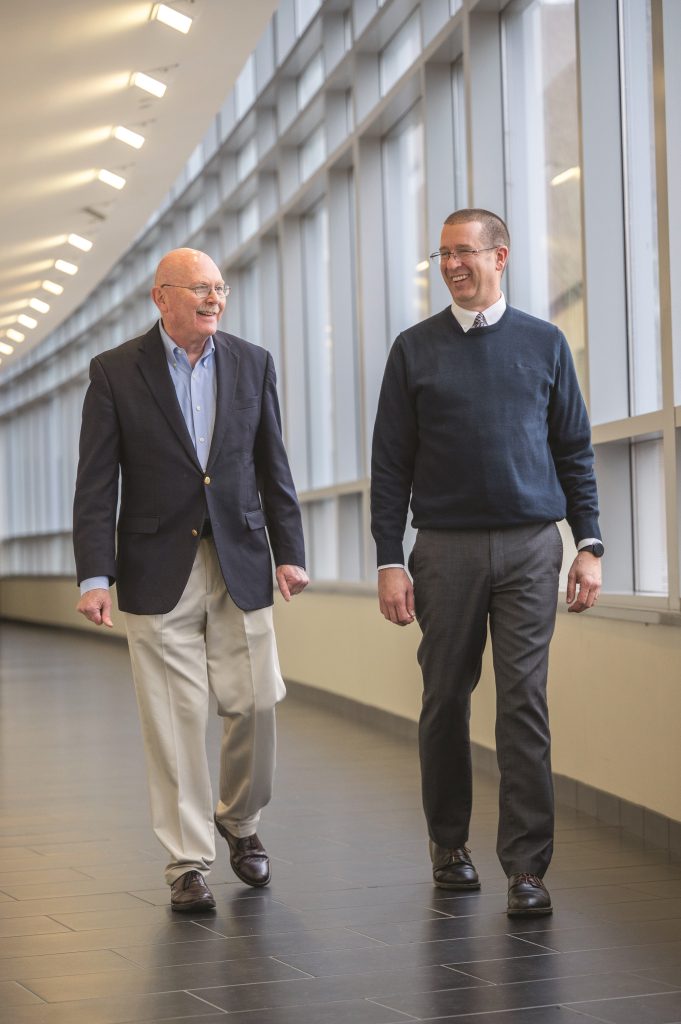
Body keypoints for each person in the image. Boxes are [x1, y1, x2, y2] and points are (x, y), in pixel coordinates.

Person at [370, 209, 602, 917]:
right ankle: (448, 846)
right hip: (443, 549)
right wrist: (388, 559)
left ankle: (526, 870)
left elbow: (574, 451)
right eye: (441, 254)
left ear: (500, 256)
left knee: (523, 705)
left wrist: (587, 544)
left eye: (463, 252)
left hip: (533, 544)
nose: (450, 265)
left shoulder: (544, 342)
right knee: (444, 699)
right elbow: (389, 466)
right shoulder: (414, 349)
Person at [73, 247, 308, 912]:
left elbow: (273, 467)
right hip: (154, 569)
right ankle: (186, 862)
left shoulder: (252, 363)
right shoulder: (116, 372)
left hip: (242, 560)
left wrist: (289, 551)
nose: (214, 300)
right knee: (175, 719)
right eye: (200, 289)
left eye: (220, 289)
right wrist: (95, 574)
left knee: (256, 702)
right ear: (162, 297)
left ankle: (241, 820)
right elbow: (96, 483)